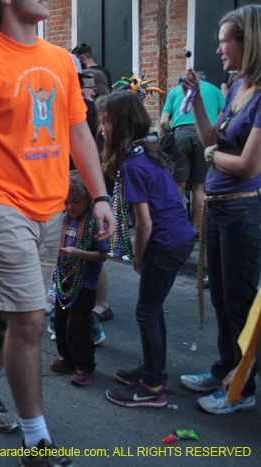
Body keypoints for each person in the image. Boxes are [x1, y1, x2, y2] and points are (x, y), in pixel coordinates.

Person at [0, 1, 115, 465]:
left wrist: (100, 197)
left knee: (11, 312)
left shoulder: (61, 60)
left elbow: (79, 134)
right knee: (30, 320)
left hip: (50, 208)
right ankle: (37, 443)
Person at [179, 5, 261, 415]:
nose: (219, 48)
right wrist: (195, 100)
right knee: (222, 298)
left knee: (239, 300)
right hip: (220, 207)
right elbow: (212, 136)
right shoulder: (237, 87)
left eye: (225, 39)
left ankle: (242, 388)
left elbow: (248, 164)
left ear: (248, 42)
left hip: (243, 211)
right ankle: (225, 368)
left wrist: (211, 155)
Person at [98, 91, 195, 408]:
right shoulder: (143, 153)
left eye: (105, 121)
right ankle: (154, 370)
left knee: (147, 311)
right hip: (176, 239)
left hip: (165, 244)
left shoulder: (133, 165)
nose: (100, 128)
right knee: (150, 310)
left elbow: (144, 224)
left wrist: (138, 257)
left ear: (120, 124)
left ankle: (153, 386)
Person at [50, 171, 108, 387]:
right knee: (61, 323)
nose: (71, 206)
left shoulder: (94, 222)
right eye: (66, 202)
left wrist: (77, 253)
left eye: (76, 202)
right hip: (63, 280)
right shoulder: (64, 219)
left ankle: (85, 365)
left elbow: (102, 255)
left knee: (78, 327)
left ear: (87, 199)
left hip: (84, 284)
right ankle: (67, 358)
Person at [160, 74, 225, 234]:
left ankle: (174, 228)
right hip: (206, 137)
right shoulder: (216, 91)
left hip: (181, 134)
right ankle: (196, 230)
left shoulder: (175, 91)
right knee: (199, 186)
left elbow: (163, 121)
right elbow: (223, 118)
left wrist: (170, 132)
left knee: (177, 184)